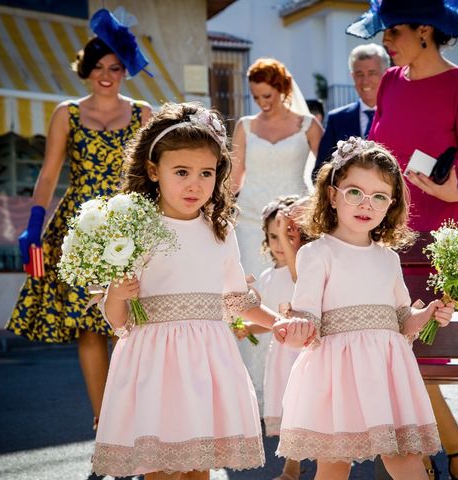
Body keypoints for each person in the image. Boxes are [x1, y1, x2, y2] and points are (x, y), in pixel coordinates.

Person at [91, 102, 284, 479]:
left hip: (206, 366)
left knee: (198, 469)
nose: (195, 183)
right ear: (153, 170)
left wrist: (278, 322)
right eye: (181, 171)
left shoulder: (220, 231)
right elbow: (118, 321)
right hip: (154, 366)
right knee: (161, 468)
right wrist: (118, 291)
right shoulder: (137, 227)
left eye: (206, 173)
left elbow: (233, 298)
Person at [347, 1, 458, 479]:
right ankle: (453, 452)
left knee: (413, 359)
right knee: (392, 356)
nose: (385, 42)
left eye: (392, 32)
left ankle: (442, 455)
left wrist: (455, 189)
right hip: (386, 239)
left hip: (437, 242)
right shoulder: (390, 82)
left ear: (425, 30)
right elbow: (374, 158)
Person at [6, 7, 153, 464]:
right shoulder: (65, 113)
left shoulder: (144, 113)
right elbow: (49, 176)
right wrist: (33, 225)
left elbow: (151, 175)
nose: (105, 75)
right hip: (80, 229)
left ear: (124, 70)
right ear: (85, 71)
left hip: (129, 224)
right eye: (97, 68)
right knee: (89, 328)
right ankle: (102, 423)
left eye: (114, 67)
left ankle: (133, 424)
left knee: (130, 327)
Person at [272, 137, 455, 480]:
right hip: (337, 376)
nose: (366, 204)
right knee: (333, 465)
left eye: (379, 196)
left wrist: (428, 312)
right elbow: (306, 318)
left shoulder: (388, 258)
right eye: (355, 192)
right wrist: (293, 330)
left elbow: (403, 319)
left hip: (386, 373)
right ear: (332, 194)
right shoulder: (317, 253)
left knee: (404, 459)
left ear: (391, 204)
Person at [231, 57, 323, 405]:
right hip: (250, 221)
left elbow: (325, 176)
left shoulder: (308, 125)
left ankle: (294, 389)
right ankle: (254, 392)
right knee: (252, 300)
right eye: (256, 97)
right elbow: (235, 178)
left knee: (290, 298)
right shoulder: (245, 125)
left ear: (284, 89)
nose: (262, 103)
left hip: (291, 225)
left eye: (268, 95)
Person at [233, 194, 310, 480]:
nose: (281, 244)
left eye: (288, 235)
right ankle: (293, 462)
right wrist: (248, 327)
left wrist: (287, 235)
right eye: (273, 237)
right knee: (290, 410)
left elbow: (296, 276)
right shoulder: (266, 277)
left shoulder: (303, 267)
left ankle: (292, 469)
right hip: (281, 356)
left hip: (303, 353)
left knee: (304, 407)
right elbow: (273, 322)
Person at [311, 43, 390, 180]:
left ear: (386, 74)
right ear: (352, 76)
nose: (365, 81)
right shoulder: (337, 119)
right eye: (359, 74)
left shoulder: (400, 116)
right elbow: (320, 172)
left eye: (372, 73)